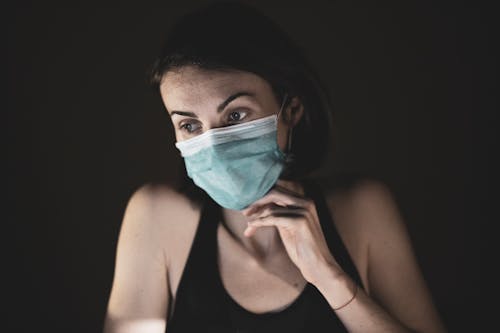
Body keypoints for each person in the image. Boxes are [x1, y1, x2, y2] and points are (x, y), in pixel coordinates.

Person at [103, 2, 447, 332]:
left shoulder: (362, 208)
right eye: (190, 126)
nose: (215, 144)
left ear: (292, 109)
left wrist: (330, 277)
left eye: (236, 115)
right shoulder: (155, 216)